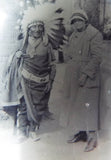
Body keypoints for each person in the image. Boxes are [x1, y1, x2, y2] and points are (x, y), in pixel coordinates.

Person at [3, 5, 62, 141]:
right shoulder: (22, 43)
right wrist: (17, 55)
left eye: (39, 26)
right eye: (33, 27)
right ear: (28, 29)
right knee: (23, 106)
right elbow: (13, 57)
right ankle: (22, 131)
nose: (36, 29)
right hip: (24, 80)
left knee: (38, 107)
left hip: (41, 83)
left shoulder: (47, 45)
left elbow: (53, 64)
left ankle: (33, 128)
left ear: (43, 28)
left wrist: (51, 81)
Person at [63, 9, 103, 152]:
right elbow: (70, 54)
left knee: (89, 106)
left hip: (88, 76)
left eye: (79, 20)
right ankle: (81, 132)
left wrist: (85, 74)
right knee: (76, 105)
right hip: (74, 75)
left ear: (85, 21)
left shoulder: (94, 34)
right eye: (74, 21)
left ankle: (92, 138)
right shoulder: (73, 35)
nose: (77, 23)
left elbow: (97, 57)